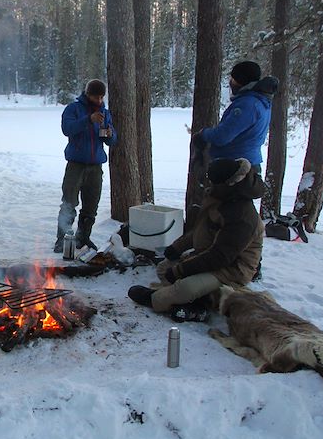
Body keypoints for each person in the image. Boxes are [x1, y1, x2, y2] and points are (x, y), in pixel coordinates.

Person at [127, 157, 265, 322]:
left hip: (232, 269)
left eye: (214, 183)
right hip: (208, 255)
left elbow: (221, 256)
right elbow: (201, 231)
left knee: (185, 286)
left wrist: (181, 270)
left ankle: (156, 299)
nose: (210, 186)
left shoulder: (242, 215)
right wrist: (177, 247)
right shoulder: (221, 198)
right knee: (164, 269)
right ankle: (197, 302)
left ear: (228, 183)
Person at [53, 79, 117, 253]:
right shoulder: (73, 109)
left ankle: (83, 237)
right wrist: (88, 120)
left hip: (95, 166)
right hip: (76, 165)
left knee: (91, 206)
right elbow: (68, 128)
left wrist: (109, 133)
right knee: (69, 203)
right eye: (96, 97)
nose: (99, 100)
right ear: (88, 94)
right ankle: (62, 240)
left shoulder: (104, 112)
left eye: (102, 97)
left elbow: (110, 140)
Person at [192, 61, 278, 173]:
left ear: (241, 81)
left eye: (233, 78)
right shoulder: (259, 101)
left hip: (237, 168)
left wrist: (204, 134)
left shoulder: (247, 105)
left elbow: (223, 136)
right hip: (246, 163)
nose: (231, 82)